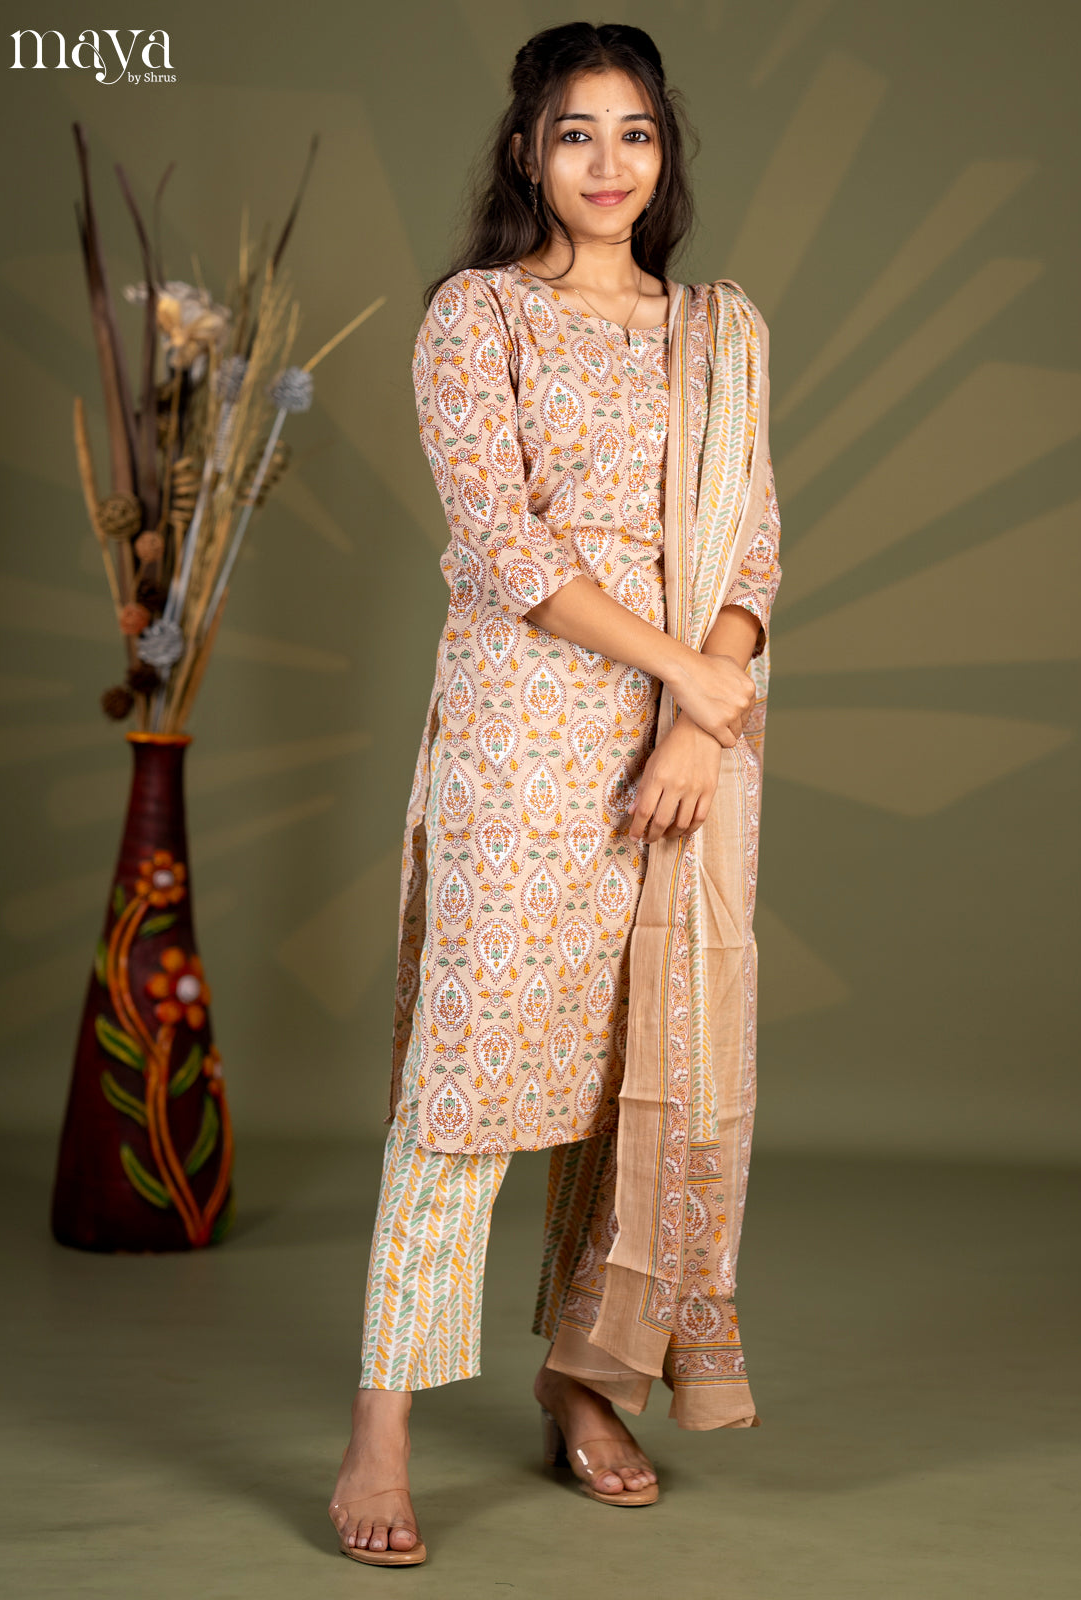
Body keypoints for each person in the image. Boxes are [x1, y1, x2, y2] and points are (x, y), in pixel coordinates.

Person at [329, 19, 782, 1566]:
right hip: (522, 741)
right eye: (576, 132)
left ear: (666, 155)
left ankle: (587, 1379)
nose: (607, 162)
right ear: (528, 151)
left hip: (686, 754)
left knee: (650, 1070)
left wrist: (700, 720)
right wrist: (683, 676)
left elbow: (753, 547)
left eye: (635, 132)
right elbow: (500, 542)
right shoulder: (479, 316)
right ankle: (380, 1424)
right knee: (468, 1081)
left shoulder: (720, 332)